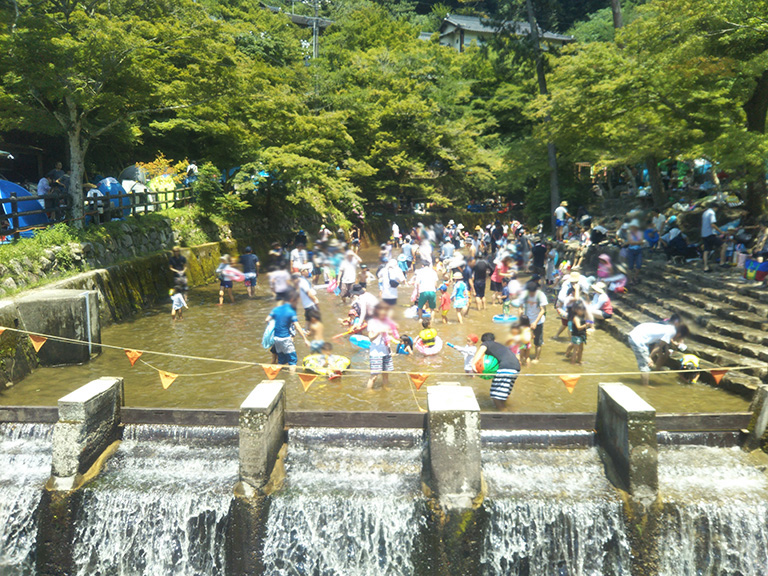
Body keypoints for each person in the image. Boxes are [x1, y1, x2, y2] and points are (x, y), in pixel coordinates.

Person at [628, 320, 689, 385]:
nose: (679, 340)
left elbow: (658, 345)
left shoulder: (671, 328)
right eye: (681, 338)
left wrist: (650, 357)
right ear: (679, 334)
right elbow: (659, 346)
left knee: (647, 362)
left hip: (637, 334)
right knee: (645, 366)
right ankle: (645, 387)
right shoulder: (671, 332)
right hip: (637, 339)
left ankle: (646, 381)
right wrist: (649, 358)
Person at [472, 332, 521, 411]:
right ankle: (506, 411)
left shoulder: (486, 344)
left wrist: (473, 364)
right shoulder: (500, 346)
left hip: (506, 368)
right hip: (516, 368)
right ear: (494, 340)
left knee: (496, 397)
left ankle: (505, 416)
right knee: (503, 396)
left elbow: (481, 350)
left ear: (483, 341)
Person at [267, 291, 310, 371]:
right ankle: (292, 379)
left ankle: (272, 375)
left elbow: (267, 320)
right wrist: (305, 339)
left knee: (281, 361)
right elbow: (297, 326)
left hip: (277, 338)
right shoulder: (291, 312)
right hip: (286, 338)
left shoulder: (277, 310)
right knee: (292, 362)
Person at [366, 303, 398, 389]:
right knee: (374, 376)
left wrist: (390, 350)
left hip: (386, 351)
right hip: (376, 352)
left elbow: (387, 337)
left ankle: (385, 388)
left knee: (386, 374)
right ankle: (368, 392)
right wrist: (379, 331)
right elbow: (371, 338)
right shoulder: (372, 322)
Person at [517, 280, 548, 363]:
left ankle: (536, 358)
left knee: (538, 341)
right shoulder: (524, 295)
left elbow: (542, 311)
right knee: (523, 341)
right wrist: (520, 315)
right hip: (526, 322)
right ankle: (523, 357)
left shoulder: (541, 296)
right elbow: (520, 307)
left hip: (538, 321)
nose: (531, 294)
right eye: (530, 293)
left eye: (532, 293)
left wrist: (535, 322)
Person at [701, 205, 729, 272]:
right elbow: (712, 224)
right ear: (715, 207)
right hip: (710, 234)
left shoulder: (705, 212)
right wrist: (721, 232)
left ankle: (705, 267)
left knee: (706, 250)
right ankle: (722, 262)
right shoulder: (712, 213)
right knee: (724, 246)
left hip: (704, 234)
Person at [567, 300, 588, 365]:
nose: (583, 311)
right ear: (576, 310)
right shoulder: (576, 318)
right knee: (575, 350)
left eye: (583, 310)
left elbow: (587, 322)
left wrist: (590, 324)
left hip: (581, 335)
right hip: (576, 336)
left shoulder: (582, 317)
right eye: (581, 310)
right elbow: (578, 327)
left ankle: (579, 361)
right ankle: (572, 363)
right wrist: (586, 325)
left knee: (581, 349)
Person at [626, 220, 645, 285]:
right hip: (631, 250)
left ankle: (635, 277)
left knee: (639, 265)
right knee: (630, 266)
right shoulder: (629, 233)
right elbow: (631, 242)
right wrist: (638, 242)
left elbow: (641, 242)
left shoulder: (640, 233)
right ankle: (630, 279)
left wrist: (635, 242)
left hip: (638, 250)